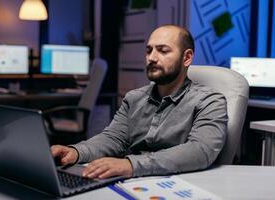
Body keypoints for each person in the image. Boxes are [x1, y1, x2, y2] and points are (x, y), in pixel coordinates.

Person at [51, 25, 228, 179]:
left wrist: (130, 165)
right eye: (149, 50)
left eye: (163, 50)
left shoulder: (210, 101)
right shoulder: (134, 98)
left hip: (181, 184)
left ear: (187, 57)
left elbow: (200, 151)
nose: (151, 57)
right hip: (134, 182)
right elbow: (113, 139)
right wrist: (75, 152)